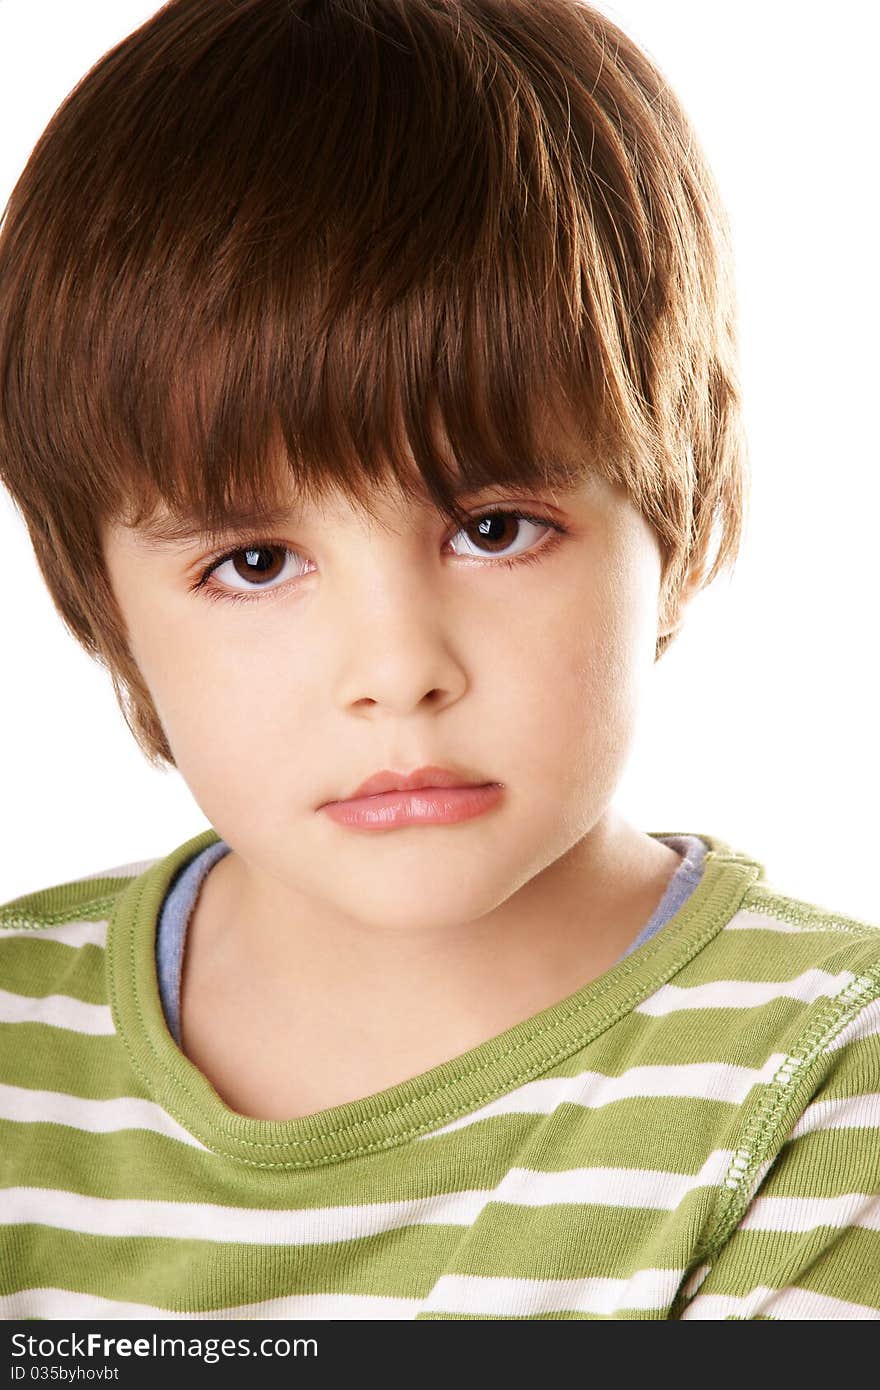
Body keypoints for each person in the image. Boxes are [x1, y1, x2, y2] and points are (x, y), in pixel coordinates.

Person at [0, 0, 877, 1322]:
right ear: (98, 594)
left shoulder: (820, 1081)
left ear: (682, 506)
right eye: (253, 562)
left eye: (494, 527)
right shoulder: (20, 1050)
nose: (396, 668)